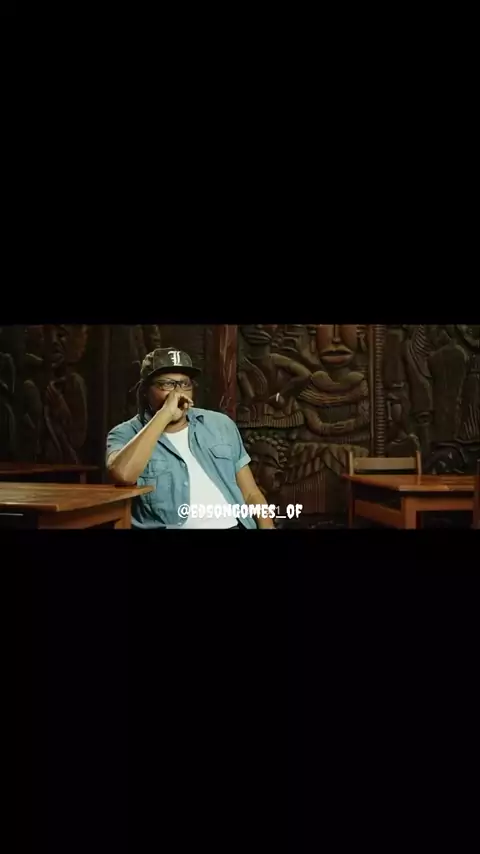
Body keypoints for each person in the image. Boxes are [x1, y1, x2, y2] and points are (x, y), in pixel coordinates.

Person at [106, 348, 276, 530]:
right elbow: (123, 475)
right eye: (167, 384)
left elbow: (251, 494)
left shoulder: (220, 424)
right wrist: (165, 413)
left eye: (184, 384)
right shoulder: (125, 433)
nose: (178, 393)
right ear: (145, 390)